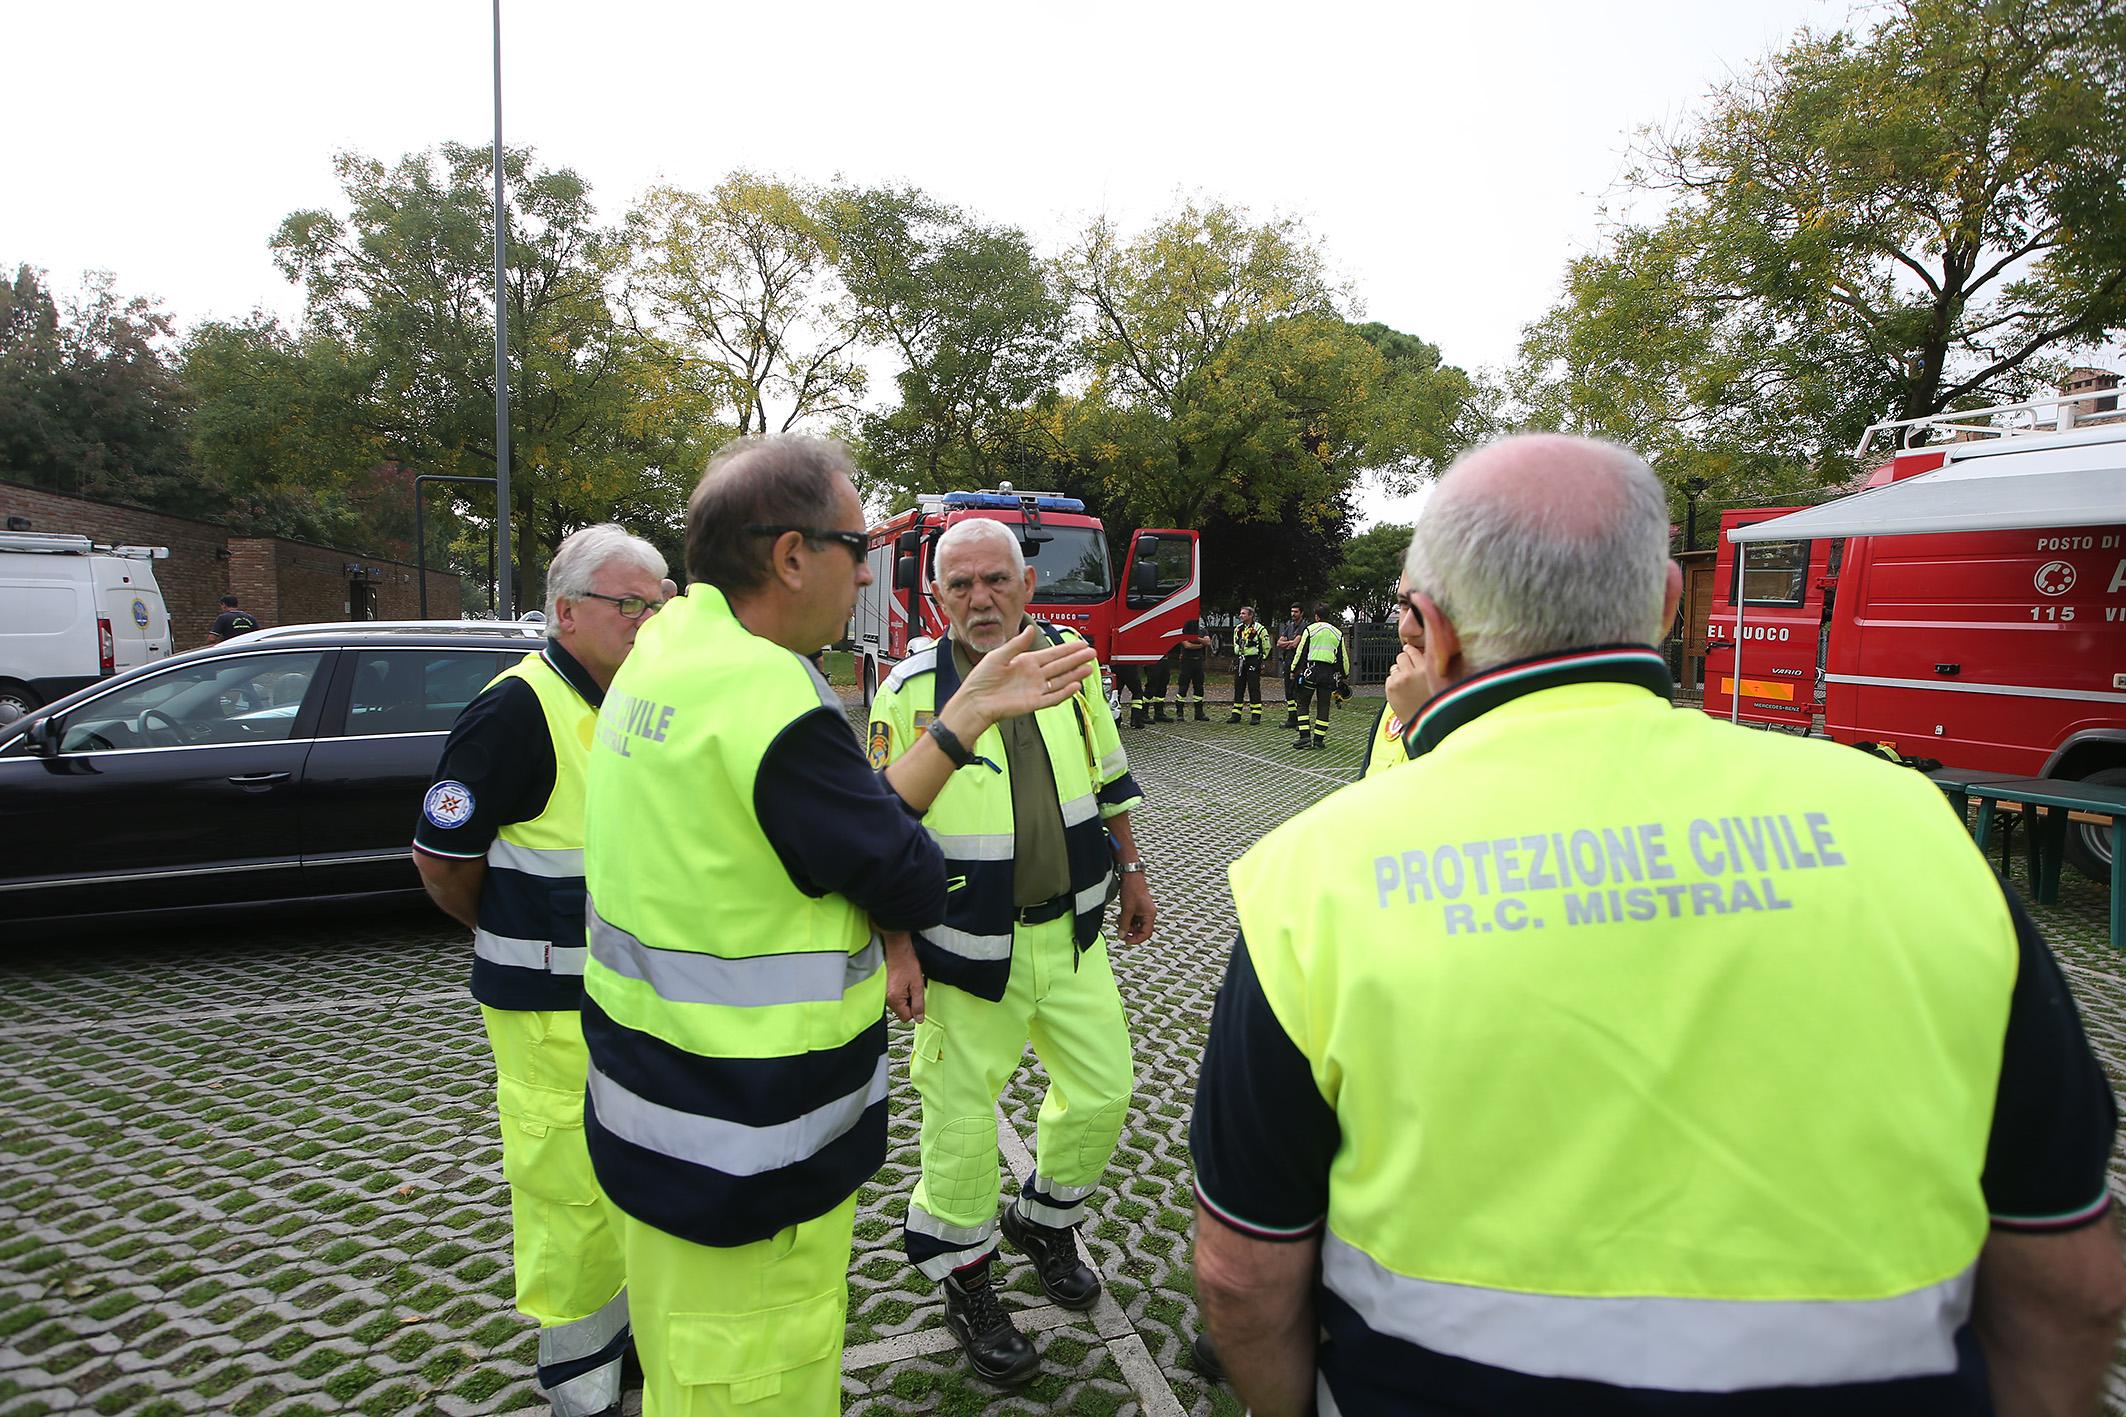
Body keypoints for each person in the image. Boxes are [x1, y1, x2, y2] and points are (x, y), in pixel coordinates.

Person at [1190, 433, 2125, 1417]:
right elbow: (2068, 1287)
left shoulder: (1309, 878)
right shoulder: (1918, 833)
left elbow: (1241, 1276)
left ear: (1430, 627)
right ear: (1668, 605)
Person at [577, 437, 1092, 1416]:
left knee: (691, 1375)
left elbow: (833, 828)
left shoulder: (669, 649)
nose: (866, 570)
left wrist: (961, 718)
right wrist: (958, 739)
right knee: (755, 1387)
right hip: (748, 1149)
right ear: (789, 556)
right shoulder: (767, 693)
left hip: (652, 1118)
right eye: (856, 545)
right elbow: (899, 869)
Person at [869, 516, 1157, 1386]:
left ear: (1027, 585)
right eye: (960, 584)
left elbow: (1108, 773)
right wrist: (896, 951)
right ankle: (964, 1275)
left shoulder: (1073, 668)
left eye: (995, 579)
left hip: (1069, 934)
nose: (980, 598)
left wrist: (1133, 868)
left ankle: (1043, 1217)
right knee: (959, 1124)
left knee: (1106, 1090)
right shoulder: (910, 686)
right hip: (961, 950)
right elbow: (882, 828)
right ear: (935, 595)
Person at [412, 523, 674, 1417]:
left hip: (637, 1008)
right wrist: (509, 930)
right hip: (549, 1013)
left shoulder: (645, 698)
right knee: (570, 1202)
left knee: (636, 1183)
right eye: (631, 602)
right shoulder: (515, 709)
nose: (653, 616)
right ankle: (581, 1388)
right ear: (566, 612)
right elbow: (444, 860)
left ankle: (628, 1349)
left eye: (662, 599)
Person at [1360, 573, 1427, 778]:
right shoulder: (1396, 701)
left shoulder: (1505, 721)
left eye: (1432, 608)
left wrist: (1427, 725)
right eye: (1404, 604)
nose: (1406, 627)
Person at [1287, 606, 1348, 751]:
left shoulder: (1310, 629)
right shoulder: (1338, 633)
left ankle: (1305, 738)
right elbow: (1343, 657)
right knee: (1324, 706)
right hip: (1328, 674)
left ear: (1316, 616)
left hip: (1312, 671)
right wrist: (1344, 674)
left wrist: (1294, 669)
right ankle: (1319, 740)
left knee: (1303, 703)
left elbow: (1301, 652)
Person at [1227, 606, 1271, 725]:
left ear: (1251, 615)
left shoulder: (1260, 629)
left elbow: (1266, 645)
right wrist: (1238, 649)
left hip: (1253, 660)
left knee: (1253, 687)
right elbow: (1235, 643)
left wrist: (1261, 659)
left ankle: (1256, 715)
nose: (1241, 616)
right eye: (1240, 613)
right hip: (1241, 659)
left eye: (1243, 613)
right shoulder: (1238, 629)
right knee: (1238, 686)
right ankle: (1236, 714)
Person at [1274, 604, 1305, 729]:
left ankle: (1300, 720)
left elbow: (1295, 644)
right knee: (1289, 692)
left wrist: (1287, 643)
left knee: (1298, 692)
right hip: (1288, 662)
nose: (1293, 614)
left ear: (1301, 613)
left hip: (1298, 664)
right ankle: (1292, 719)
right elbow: (1278, 643)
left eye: (1296, 612)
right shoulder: (1290, 627)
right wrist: (1289, 643)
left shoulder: (1304, 627)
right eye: (1292, 611)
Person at [1174, 617, 1212, 721]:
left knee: (1199, 688)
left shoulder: (1202, 630)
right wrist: (1201, 644)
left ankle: (1199, 713)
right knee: (1183, 688)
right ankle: (1180, 713)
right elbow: (1187, 645)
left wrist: (1197, 639)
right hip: (1186, 662)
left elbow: (1208, 642)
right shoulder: (1183, 629)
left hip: (1198, 662)